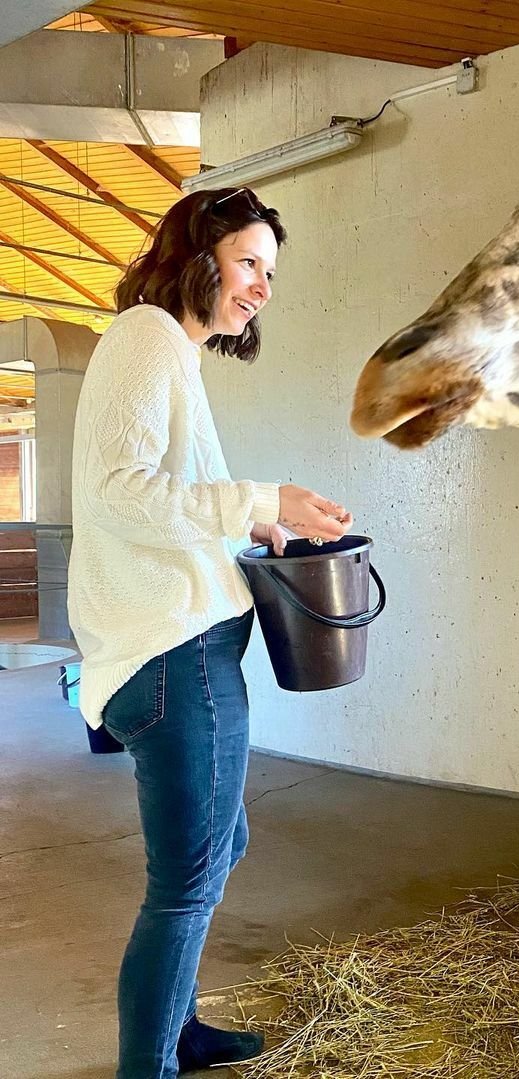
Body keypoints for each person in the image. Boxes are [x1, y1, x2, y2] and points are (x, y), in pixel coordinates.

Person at [68, 187, 352, 1077]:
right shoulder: (146, 339)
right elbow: (123, 492)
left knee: (219, 846)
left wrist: (256, 529)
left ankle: (179, 1029)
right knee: (185, 882)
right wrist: (263, 497)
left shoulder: (176, 355)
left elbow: (172, 502)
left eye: (270, 270)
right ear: (198, 256)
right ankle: (148, 1061)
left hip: (194, 642)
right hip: (172, 654)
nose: (262, 285)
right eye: (247, 263)